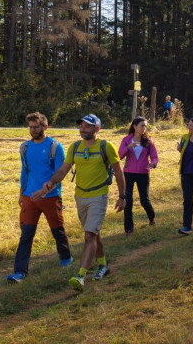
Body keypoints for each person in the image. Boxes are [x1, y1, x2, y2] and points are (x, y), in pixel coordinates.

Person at [33, 114, 126, 291]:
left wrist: (122, 197)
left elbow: (119, 173)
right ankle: (103, 266)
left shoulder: (106, 147)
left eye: (88, 126)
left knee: (89, 235)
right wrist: (49, 185)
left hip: (99, 196)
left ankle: (81, 275)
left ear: (97, 129)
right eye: (81, 125)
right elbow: (63, 170)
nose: (83, 129)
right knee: (94, 233)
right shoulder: (75, 147)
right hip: (80, 197)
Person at [8, 112, 73, 283]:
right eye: (30, 127)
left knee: (57, 230)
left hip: (50, 197)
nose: (32, 130)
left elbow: (60, 173)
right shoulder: (25, 147)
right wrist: (22, 193)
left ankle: (66, 258)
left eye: (36, 127)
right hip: (30, 198)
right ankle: (20, 272)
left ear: (45, 127)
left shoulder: (55, 147)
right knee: (26, 234)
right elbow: (25, 171)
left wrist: (46, 189)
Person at [118, 116, 158, 236]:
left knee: (144, 200)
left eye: (145, 126)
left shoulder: (149, 141)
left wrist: (153, 163)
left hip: (143, 173)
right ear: (134, 126)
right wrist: (128, 147)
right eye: (142, 125)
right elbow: (119, 155)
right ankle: (129, 228)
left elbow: (154, 156)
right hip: (128, 173)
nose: (144, 128)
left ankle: (152, 218)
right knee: (128, 201)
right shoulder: (126, 140)